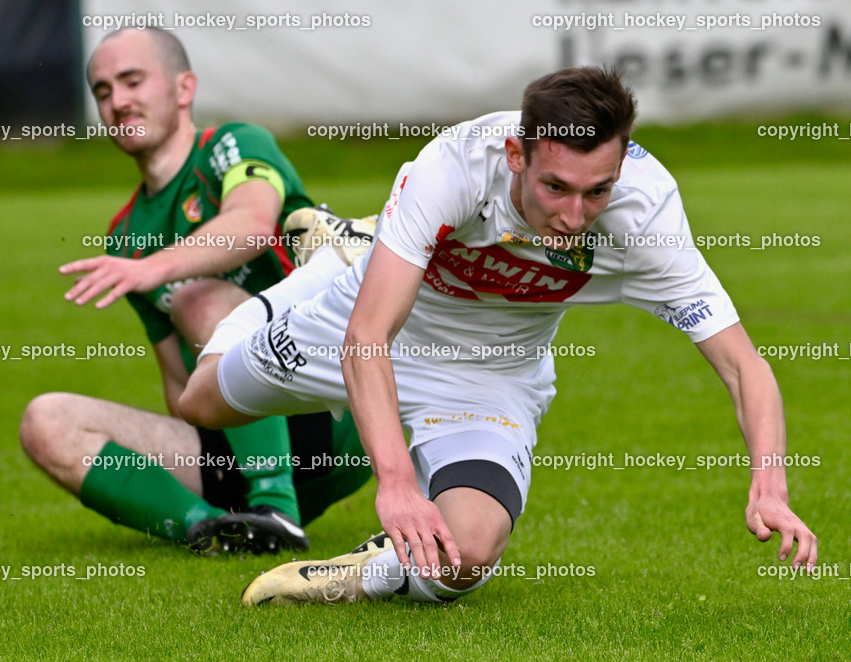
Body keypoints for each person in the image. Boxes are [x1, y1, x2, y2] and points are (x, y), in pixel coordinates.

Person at [177, 67, 818, 604]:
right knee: (202, 401)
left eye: (598, 190)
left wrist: (770, 485)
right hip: (382, 321)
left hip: (494, 373)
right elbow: (368, 336)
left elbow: (741, 365)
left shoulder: (646, 213)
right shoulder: (454, 165)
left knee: (466, 555)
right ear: (517, 155)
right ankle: (340, 256)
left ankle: (362, 572)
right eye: (555, 187)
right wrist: (396, 482)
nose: (573, 216)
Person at [19, 26, 373, 552]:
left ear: (184, 88)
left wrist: (154, 268)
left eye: (132, 81)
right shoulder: (126, 236)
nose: (118, 101)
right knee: (44, 421)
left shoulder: (232, 146)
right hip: (240, 442)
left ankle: (277, 507)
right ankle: (214, 529)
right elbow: (178, 383)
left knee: (199, 298)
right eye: (102, 91)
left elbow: (252, 224)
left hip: (334, 415)